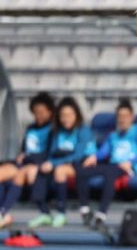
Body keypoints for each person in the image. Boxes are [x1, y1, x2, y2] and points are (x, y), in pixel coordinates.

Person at [75, 99, 137, 231]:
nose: (122, 120)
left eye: (125, 116)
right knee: (82, 170)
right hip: (113, 165)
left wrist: (130, 162)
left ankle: (101, 213)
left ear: (132, 117)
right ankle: (85, 208)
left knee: (110, 174)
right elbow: (104, 151)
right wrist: (94, 157)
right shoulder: (113, 135)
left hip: (128, 167)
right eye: (119, 117)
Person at [28, 97, 96, 228]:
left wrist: (53, 163)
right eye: (63, 115)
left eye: (70, 115)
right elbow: (52, 152)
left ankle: (61, 212)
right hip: (59, 160)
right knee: (35, 171)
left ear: (77, 115)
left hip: (79, 164)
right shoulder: (56, 131)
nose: (66, 119)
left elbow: (78, 155)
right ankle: (44, 212)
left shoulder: (83, 130)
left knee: (59, 171)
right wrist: (48, 163)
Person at [0, 92, 55, 229]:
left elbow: (48, 154)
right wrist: (22, 156)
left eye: (42, 112)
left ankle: (3, 213)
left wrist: (28, 157)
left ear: (50, 112)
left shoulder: (53, 130)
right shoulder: (31, 128)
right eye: (35, 112)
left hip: (38, 165)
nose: (38, 115)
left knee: (20, 174)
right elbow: (25, 149)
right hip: (25, 162)